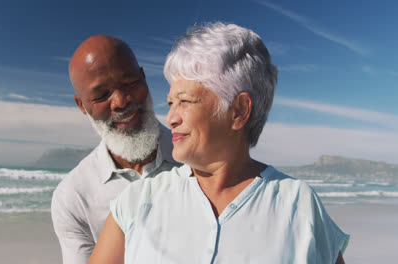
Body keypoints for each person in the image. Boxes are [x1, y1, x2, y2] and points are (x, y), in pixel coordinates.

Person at [88, 23, 350, 264]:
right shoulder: (136, 203)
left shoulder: (299, 206)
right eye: (170, 103)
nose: (170, 118)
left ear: (238, 111)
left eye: (185, 101)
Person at [51, 35, 180, 264]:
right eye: (101, 95)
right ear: (82, 105)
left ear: (143, 77)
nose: (120, 101)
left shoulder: (203, 158)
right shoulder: (73, 197)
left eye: (130, 82)